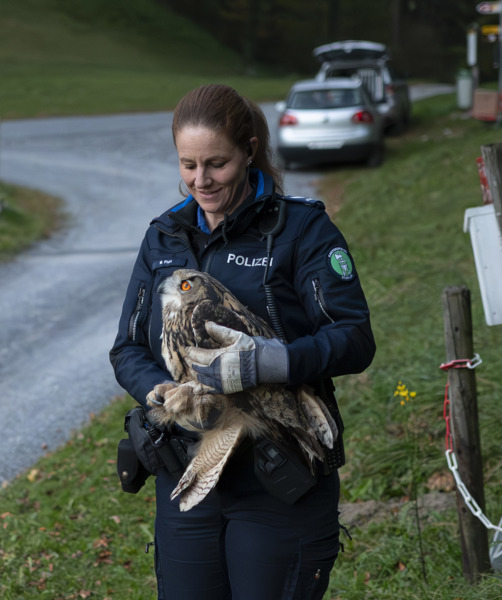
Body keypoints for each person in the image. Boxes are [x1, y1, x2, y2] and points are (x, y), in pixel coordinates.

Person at [108, 84, 375, 599]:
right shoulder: (164, 236)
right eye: (188, 165)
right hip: (190, 469)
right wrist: (161, 392)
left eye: (217, 164)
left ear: (249, 151)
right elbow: (127, 348)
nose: (200, 180)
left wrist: (271, 362)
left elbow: (354, 338)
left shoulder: (301, 229)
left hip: (278, 472)